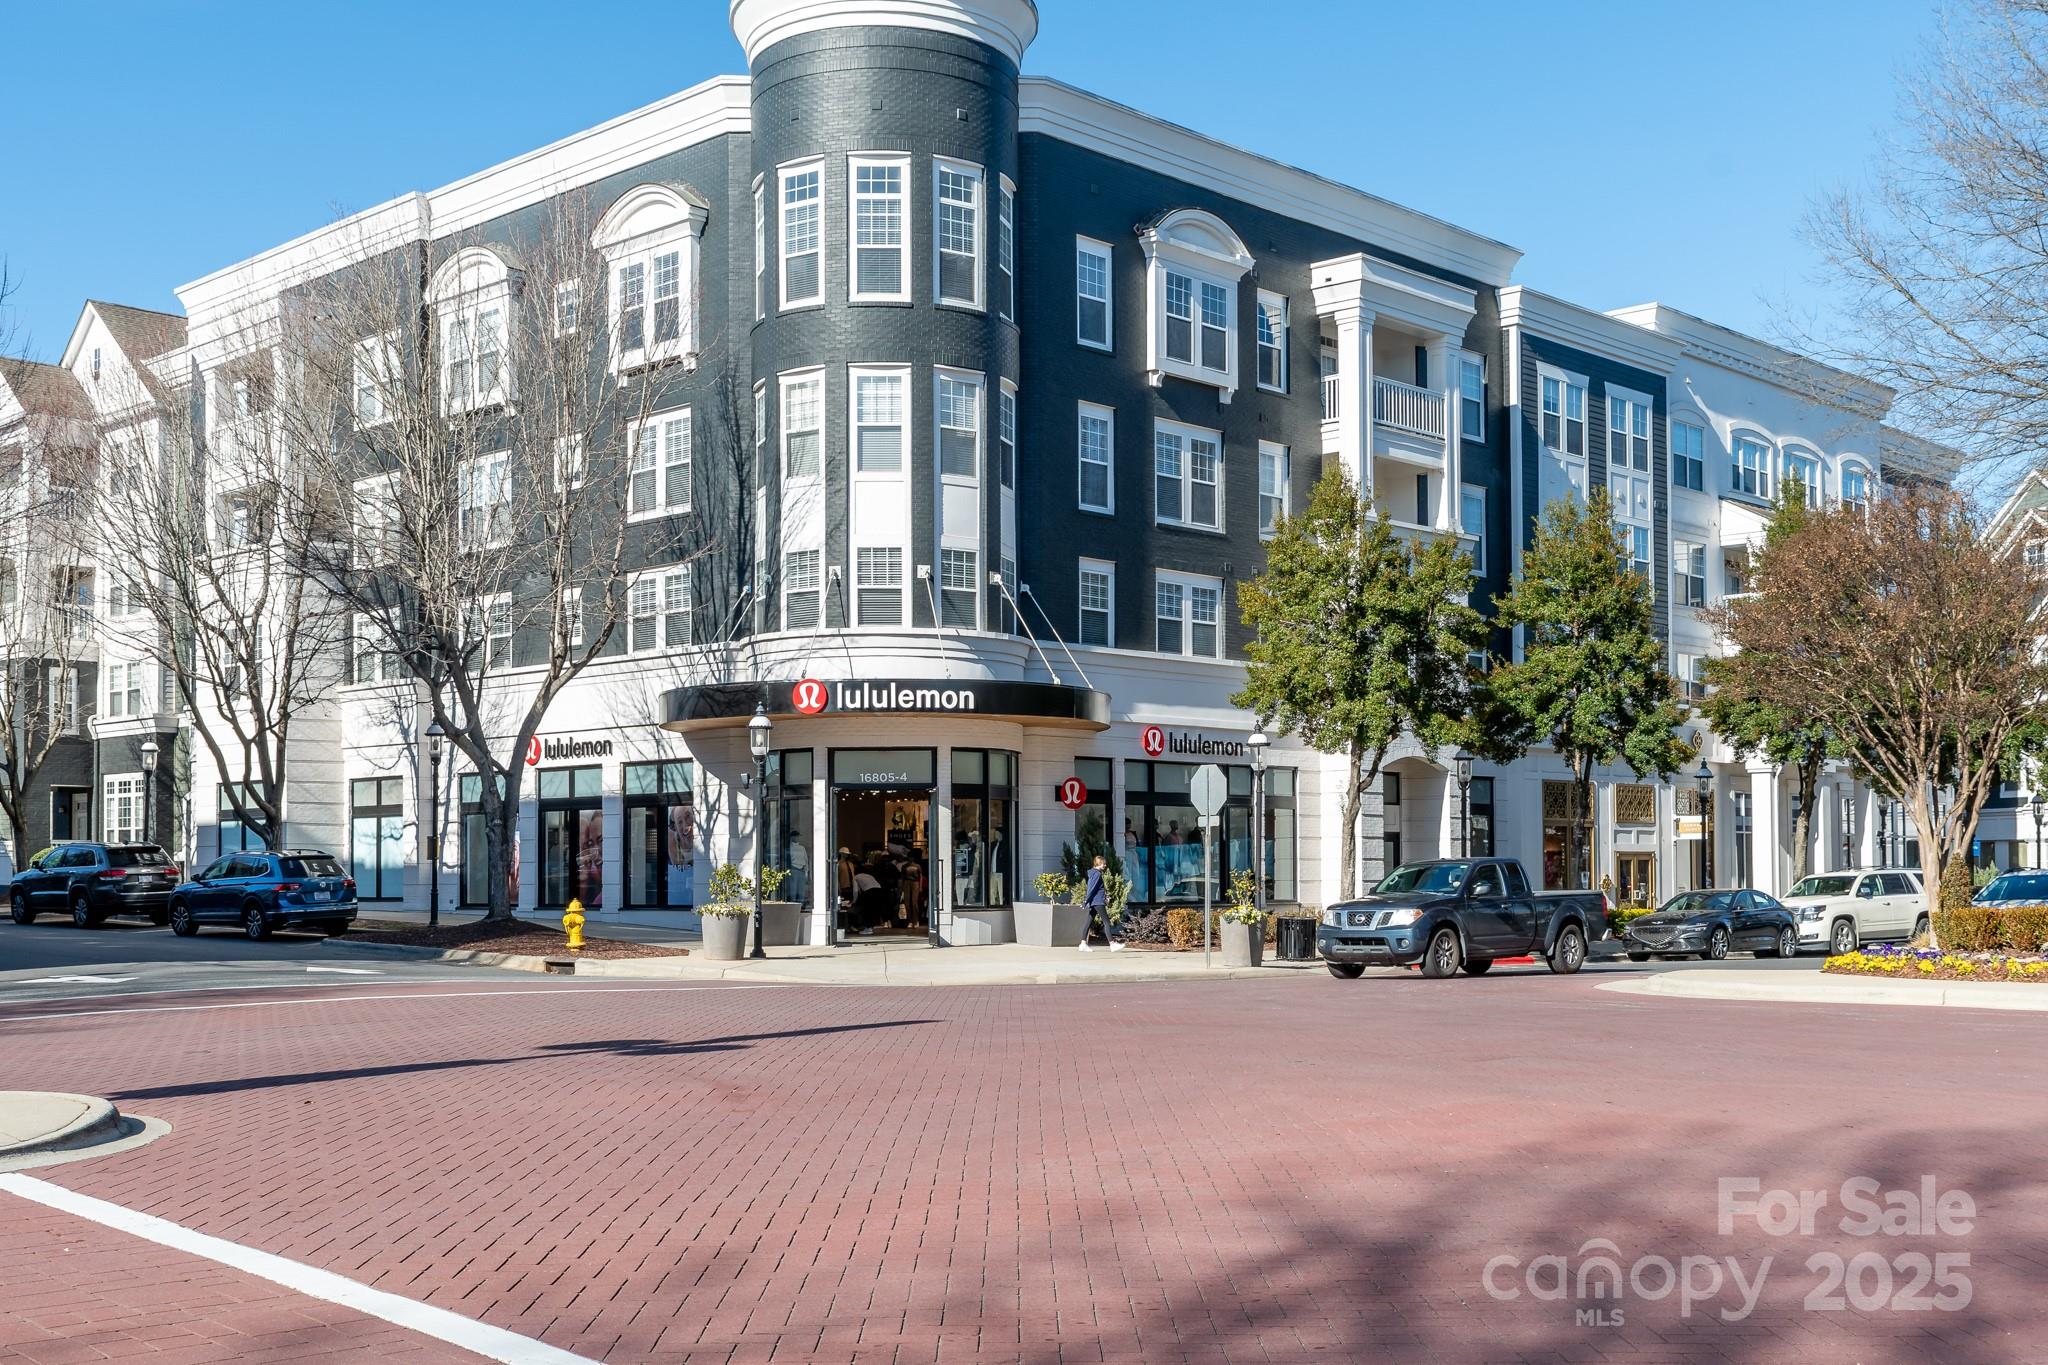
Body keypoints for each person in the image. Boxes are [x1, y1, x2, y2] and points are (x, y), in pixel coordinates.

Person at [1079, 854, 1124, 953]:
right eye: (1104, 864)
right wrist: (1085, 901)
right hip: (1098, 902)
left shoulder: (1094, 873)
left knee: (1088, 922)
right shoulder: (1097, 874)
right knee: (1106, 922)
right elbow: (1091, 889)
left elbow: (1095, 889)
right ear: (1099, 863)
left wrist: (1103, 896)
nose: (1105, 865)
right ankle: (1112, 944)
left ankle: (1083, 944)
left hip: (1095, 901)